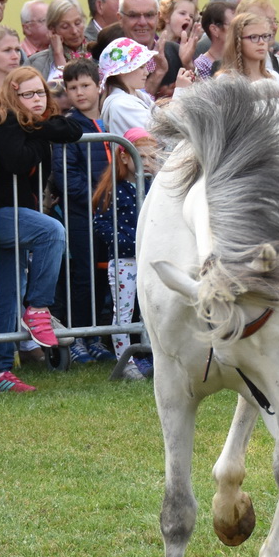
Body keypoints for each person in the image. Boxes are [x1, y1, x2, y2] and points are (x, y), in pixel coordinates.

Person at [0, 68, 81, 391]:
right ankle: (39, 308)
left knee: (8, 292)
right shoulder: (3, 119)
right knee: (52, 231)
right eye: (27, 94)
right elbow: (17, 160)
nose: (36, 99)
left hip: (16, 217)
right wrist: (41, 133)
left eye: (40, 93)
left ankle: (0, 373)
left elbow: (72, 129)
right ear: (13, 95)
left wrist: (37, 126)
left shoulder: (34, 123)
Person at [51, 58, 112, 354]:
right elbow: (68, 176)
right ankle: (78, 337)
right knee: (83, 276)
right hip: (82, 215)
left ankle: (97, 337)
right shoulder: (68, 127)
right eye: (72, 87)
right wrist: (100, 199)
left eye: (85, 85)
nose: (79, 92)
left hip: (112, 213)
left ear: (99, 86)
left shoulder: (111, 120)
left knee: (104, 274)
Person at [91, 127, 153, 378]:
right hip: (125, 260)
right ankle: (125, 362)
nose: (146, 162)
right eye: (142, 156)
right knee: (124, 312)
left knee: (151, 308)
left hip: (149, 258)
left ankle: (151, 355)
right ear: (124, 157)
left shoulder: (152, 187)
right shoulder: (114, 189)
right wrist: (127, 242)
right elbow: (101, 223)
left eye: (151, 157)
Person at [99, 37, 158, 137]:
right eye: (141, 67)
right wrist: (180, 92)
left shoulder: (139, 96)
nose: (146, 72)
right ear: (122, 71)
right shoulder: (121, 105)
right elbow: (160, 133)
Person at [25, 0, 91, 81]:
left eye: (78, 23)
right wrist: (58, 54)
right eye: (65, 26)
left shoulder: (99, 52)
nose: (74, 31)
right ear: (52, 30)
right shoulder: (36, 63)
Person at [191, 1, 234, 80]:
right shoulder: (202, 65)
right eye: (233, 25)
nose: (238, 29)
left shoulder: (240, 57)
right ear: (214, 29)